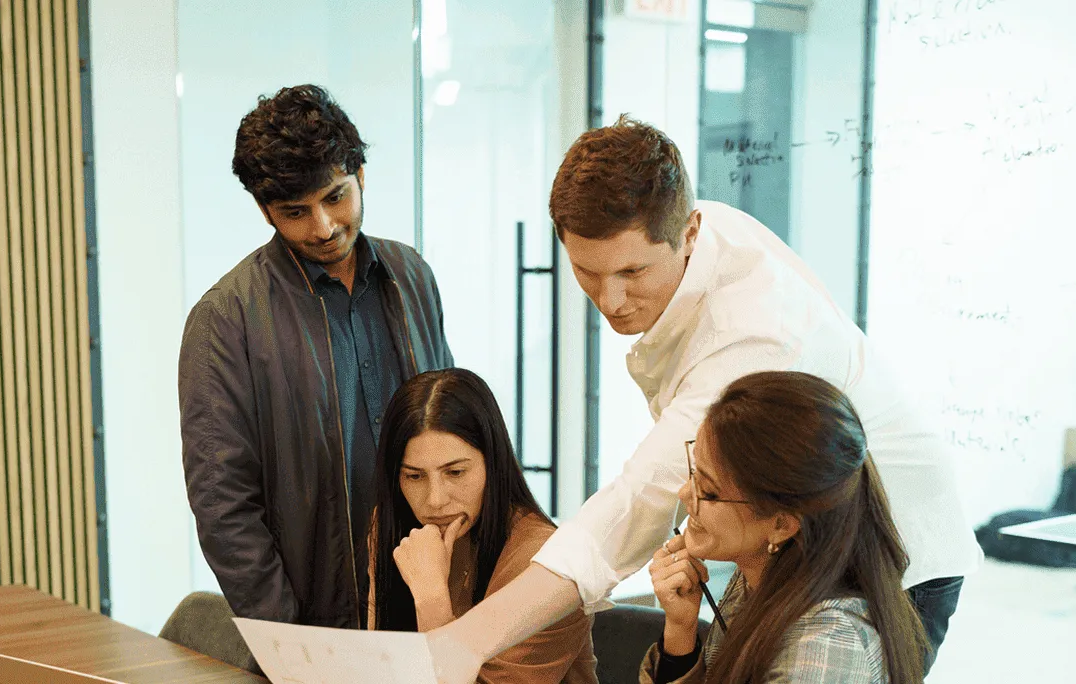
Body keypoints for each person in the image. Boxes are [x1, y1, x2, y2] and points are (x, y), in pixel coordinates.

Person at [424, 116, 980, 682]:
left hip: (890, 559)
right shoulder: (693, 226)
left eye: (632, 271)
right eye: (587, 272)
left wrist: (467, 641)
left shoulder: (754, 334)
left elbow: (637, 502)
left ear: (688, 233)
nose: (609, 300)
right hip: (787, 550)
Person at [179, 84, 454, 631]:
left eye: (335, 197)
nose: (323, 227)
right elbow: (222, 503)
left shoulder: (411, 276)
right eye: (295, 212)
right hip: (316, 624)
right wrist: (287, 639)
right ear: (264, 211)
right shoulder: (225, 321)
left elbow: (455, 428)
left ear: (360, 175)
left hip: (436, 597)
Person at [642, 371, 927, 684]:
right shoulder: (762, 574)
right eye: (694, 472)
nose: (685, 493)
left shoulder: (821, 651)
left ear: (781, 525)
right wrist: (680, 633)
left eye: (707, 490)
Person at [368, 369, 596, 684]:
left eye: (455, 473)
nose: (435, 500)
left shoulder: (548, 560)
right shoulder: (397, 530)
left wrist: (431, 597)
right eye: (414, 476)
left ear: (493, 464)